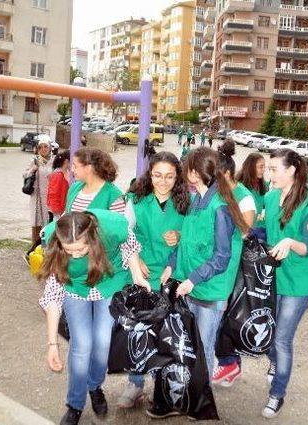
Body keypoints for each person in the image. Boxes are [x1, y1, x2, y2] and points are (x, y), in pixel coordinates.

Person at [157, 147, 249, 419]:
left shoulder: (220, 208)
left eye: (187, 168)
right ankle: (190, 393)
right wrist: (171, 265)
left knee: (204, 347)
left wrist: (191, 280)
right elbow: (186, 240)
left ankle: (200, 402)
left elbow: (221, 258)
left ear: (196, 173)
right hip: (191, 285)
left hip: (209, 290)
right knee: (191, 344)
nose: (185, 172)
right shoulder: (198, 199)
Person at [38, 210, 149, 425]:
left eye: (81, 249)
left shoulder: (111, 228)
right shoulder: (54, 245)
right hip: (75, 288)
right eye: (69, 251)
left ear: (92, 238)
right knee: (81, 345)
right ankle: (75, 404)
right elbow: (53, 297)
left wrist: (136, 273)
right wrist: (52, 344)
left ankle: (95, 386)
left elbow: (128, 244)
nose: (76, 255)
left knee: (102, 340)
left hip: (109, 281)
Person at [117, 151, 190, 408]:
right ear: (150, 174)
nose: (163, 181)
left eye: (170, 176)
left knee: (167, 334)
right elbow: (123, 233)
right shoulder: (135, 200)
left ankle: (163, 387)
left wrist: (180, 237)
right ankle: (135, 384)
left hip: (171, 275)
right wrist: (137, 258)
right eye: (157, 175)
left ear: (177, 177)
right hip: (141, 274)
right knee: (138, 331)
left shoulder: (185, 203)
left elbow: (194, 238)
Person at [261, 149, 308, 419]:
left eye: (274, 169)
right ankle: (274, 362)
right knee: (272, 333)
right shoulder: (270, 197)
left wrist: (288, 242)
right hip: (273, 278)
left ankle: (277, 394)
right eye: (268, 168)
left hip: (298, 285)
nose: (269, 174)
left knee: (283, 339)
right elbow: (267, 230)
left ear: (292, 170)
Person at [212, 141, 257, 386]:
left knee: (225, 318)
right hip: (219, 264)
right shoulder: (218, 193)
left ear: (228, 174)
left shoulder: (244, 197)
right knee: (219, 317)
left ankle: (230, 363)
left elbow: (245, 230)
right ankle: (229, 364)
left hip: (234, 267)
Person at [41, 148, 125, 245]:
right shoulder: (75, 188)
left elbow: (118, 231)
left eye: (75, 166)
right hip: (72, 253)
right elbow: (67, 216)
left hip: (99, 255)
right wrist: (50, 229)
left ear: (88, 168)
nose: (72, 170)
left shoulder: (114, 196)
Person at [23, 139, 54, 257]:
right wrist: (32, 170)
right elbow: (24, 174)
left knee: (48, 222)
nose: (43, 149)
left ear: (50, 147)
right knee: (37, 222)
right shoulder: (34, 160)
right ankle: (35, 250)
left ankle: (47, 249)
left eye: (45, 146)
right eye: (40, 147)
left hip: (50, 196)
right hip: (36, 196)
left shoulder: (54, 161)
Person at [236, 152, 269, 231]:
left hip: (257, 231)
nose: (263, 170)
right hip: (242, 231)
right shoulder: (239, 187)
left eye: (264, 167)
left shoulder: (265, 186)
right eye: (261, 167)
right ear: (251, 167)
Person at [47, 149, 71, 222]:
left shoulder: (68, 172)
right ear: (67, 161)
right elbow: (53, 194)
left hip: (65, 208)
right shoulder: (57, 175)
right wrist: (57, 211)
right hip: (58, 211)